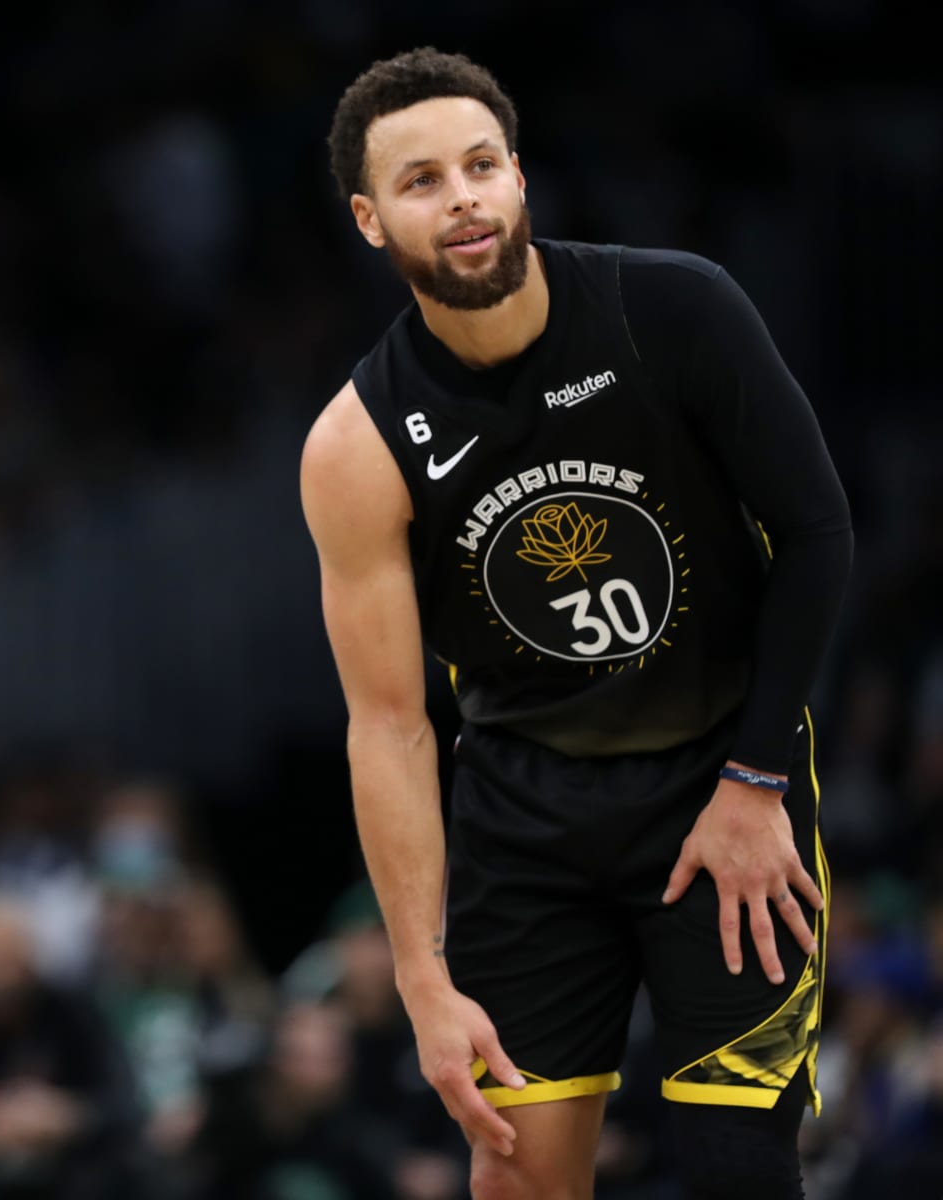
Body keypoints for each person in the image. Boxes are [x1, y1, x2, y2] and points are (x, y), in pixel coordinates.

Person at [298, 47, 851, 1200]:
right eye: (422, 181)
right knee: (517, 1179)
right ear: (368, 218)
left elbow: (816, 534)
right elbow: (389, 727)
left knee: (736, 1168)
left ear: (520, 180)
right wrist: (420, 978)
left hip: (721, 787)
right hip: (526, 820)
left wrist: (754, 783)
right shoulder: (357, 446)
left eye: (482, 166)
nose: (462, 199)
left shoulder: (674, 307)